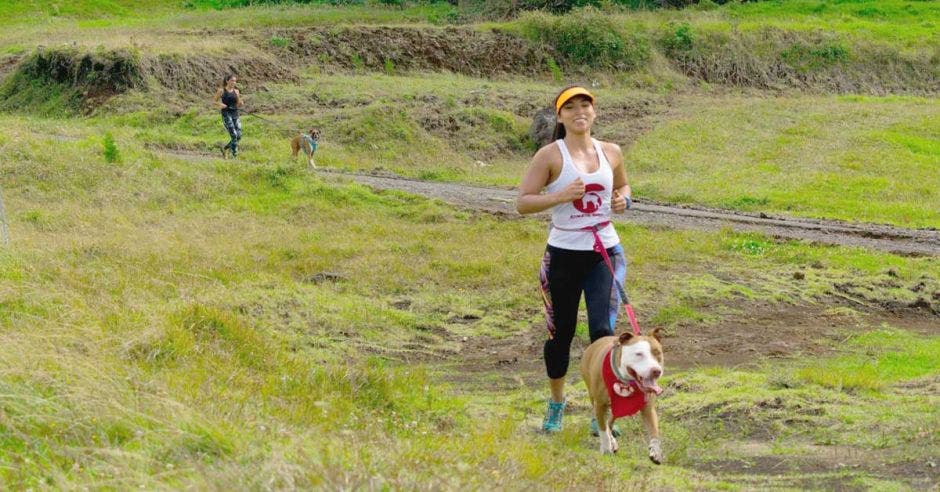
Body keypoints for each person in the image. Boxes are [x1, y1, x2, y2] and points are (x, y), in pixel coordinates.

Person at [516, 85, 633, 434]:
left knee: (604, 333)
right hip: (563, 256)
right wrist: (561, 196)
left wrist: (624, 201)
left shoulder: (611, 151)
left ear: (594, 112)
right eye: (571, 107)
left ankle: (604, 410)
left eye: (585, 105)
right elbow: (522, 202)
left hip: (604, 254)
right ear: (560, 115)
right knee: (560, 335)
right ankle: (556, 403)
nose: (579, 111)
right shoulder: (550, 156)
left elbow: (625, 188)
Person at [213, 74, 243, 158]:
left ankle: (225, 149)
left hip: (235, 114)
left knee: (239, 136)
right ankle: (235, 156)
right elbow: (214, 101)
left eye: (235, 81)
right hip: (226, 114)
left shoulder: (236, 91)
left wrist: (240, 103)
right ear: (227, 81)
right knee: (234, 135)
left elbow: (238, 103)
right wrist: (221, 104)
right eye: (232, 80)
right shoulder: (221, 91)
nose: (234, 82)